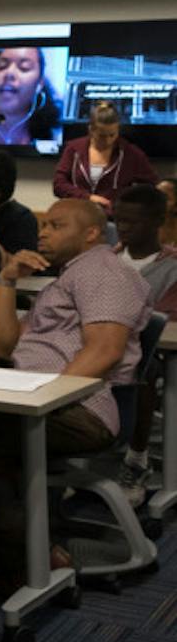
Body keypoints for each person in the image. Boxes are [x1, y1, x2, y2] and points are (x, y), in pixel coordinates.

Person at [0, 198, 151, 583]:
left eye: (56, 225)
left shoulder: (102, 271)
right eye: (43, 225)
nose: (43, 232)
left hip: (78, 409)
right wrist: (7, 279)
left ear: (91, 233)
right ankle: (28, 553)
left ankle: (31, 565)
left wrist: (44, 401)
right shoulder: (67, 278)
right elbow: (4, 345)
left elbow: (105, 350)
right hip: (38, 400)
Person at [111, 183, 177, 501]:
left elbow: (164, 319)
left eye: (131, 222)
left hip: (150, 354)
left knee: (143, 369)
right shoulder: (104, 258)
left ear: (156, 222)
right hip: (98, 346)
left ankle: (136, 459)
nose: (122, 228)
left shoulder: (173, 267)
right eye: (118, 220)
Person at [53, 101, 156, 211]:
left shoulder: (131, 153)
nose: (108, 140)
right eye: (102, 136)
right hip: (77, 215)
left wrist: (127, 204)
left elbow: (151, 185)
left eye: (112, 135)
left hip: (114, 218)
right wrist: (88, 198)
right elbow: (59, 184)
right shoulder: (74, 149)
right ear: (91, 130)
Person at [0, 46, 63, 147]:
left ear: (39, 84)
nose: (9, 73)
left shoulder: (57, 137)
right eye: (2, 66)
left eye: (24, 68)